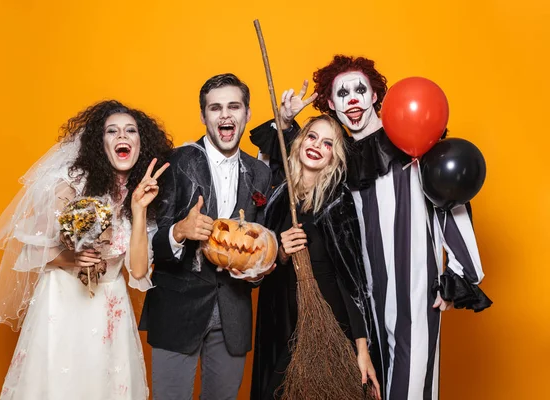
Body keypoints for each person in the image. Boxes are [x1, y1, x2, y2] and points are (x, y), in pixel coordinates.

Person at [250, 56, 492, 400]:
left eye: (360, 90)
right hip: (363, 300)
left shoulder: (411, 141)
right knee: (373, 387)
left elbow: (450, 197)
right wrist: (286, 121)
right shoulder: (341, 160)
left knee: (410, 386)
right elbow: (295, 169)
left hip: (413, 288)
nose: (352, 99)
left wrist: (459, 274)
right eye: (342, 93)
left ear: (375, 96)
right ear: (331, 104)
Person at [0, 100, 173, 400]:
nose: (122, 136)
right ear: (100, 143)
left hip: (111, 306)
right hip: (63, 305)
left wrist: (138, 210)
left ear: (140, 143)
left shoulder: (143, 196)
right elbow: (28, 254)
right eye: (112, 131)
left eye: (130, 131)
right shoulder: (71, 185)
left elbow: (138, 273)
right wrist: (71, 258)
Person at [139, 73, 274, 400]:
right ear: (203, 116)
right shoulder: (176, 161)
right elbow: (149, 247)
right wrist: (179, 232)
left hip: (232, 316)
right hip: (178, 310)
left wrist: (257, 270)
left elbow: (259, 241)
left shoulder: (260, 172)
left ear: (247, 114)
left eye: (233, 106)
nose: (225, 115)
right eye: (215, 108)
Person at [251, 115, 381, 400]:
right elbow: (258, 267)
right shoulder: (277, 195)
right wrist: (281, 251)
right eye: (311, 137)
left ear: (335, 157)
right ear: (299, 142)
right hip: (284, 321)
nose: (317, 146)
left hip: (331, 325)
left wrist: (361, 350)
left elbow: (352, 279)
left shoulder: (338, 201)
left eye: (328, 143)